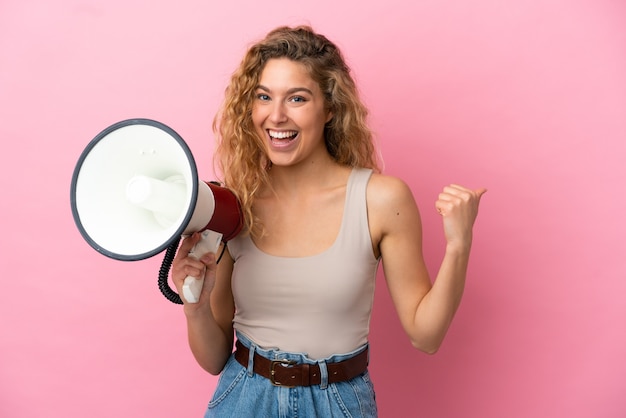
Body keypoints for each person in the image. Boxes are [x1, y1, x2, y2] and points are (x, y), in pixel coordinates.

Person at [171, 25, 486, 417]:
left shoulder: (381, 199)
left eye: (297, 98)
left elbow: (427, 336)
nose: (276, 115)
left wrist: (459, 245)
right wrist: (194, 306)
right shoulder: (236, 201)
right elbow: (215, 358)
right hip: (243, 398)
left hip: (337, 402)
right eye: (263, 96)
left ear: (330, 108)